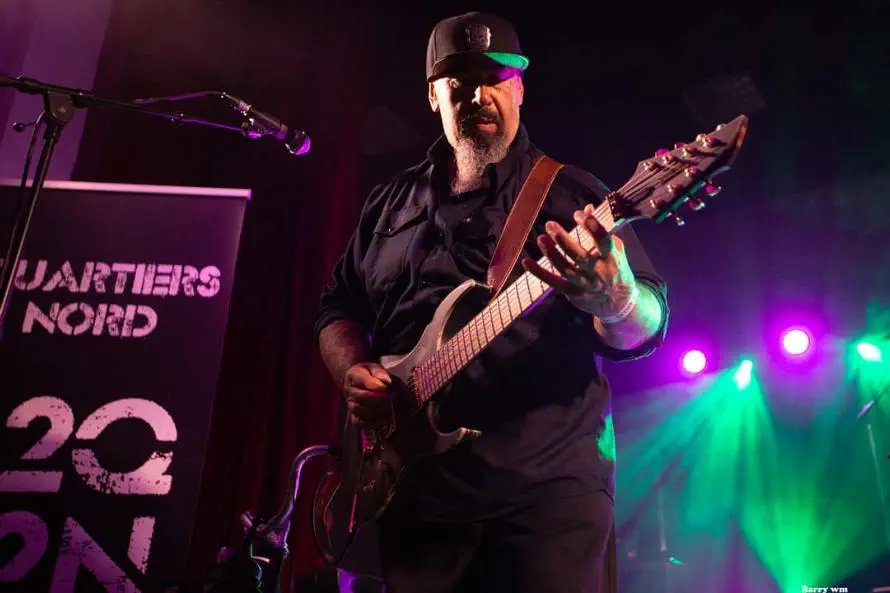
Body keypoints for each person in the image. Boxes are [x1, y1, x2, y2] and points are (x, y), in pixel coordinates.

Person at [313, 11, 669, 593]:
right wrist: (353, 370)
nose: (479, 96)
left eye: (495, 79)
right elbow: (337, 309)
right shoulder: (389, 204)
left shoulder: (575, 198)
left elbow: (648, 325)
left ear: (519, 89)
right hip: (414, 499)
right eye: (459, 82)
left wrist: (619, 300)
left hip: (543, 498)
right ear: (434, 96)